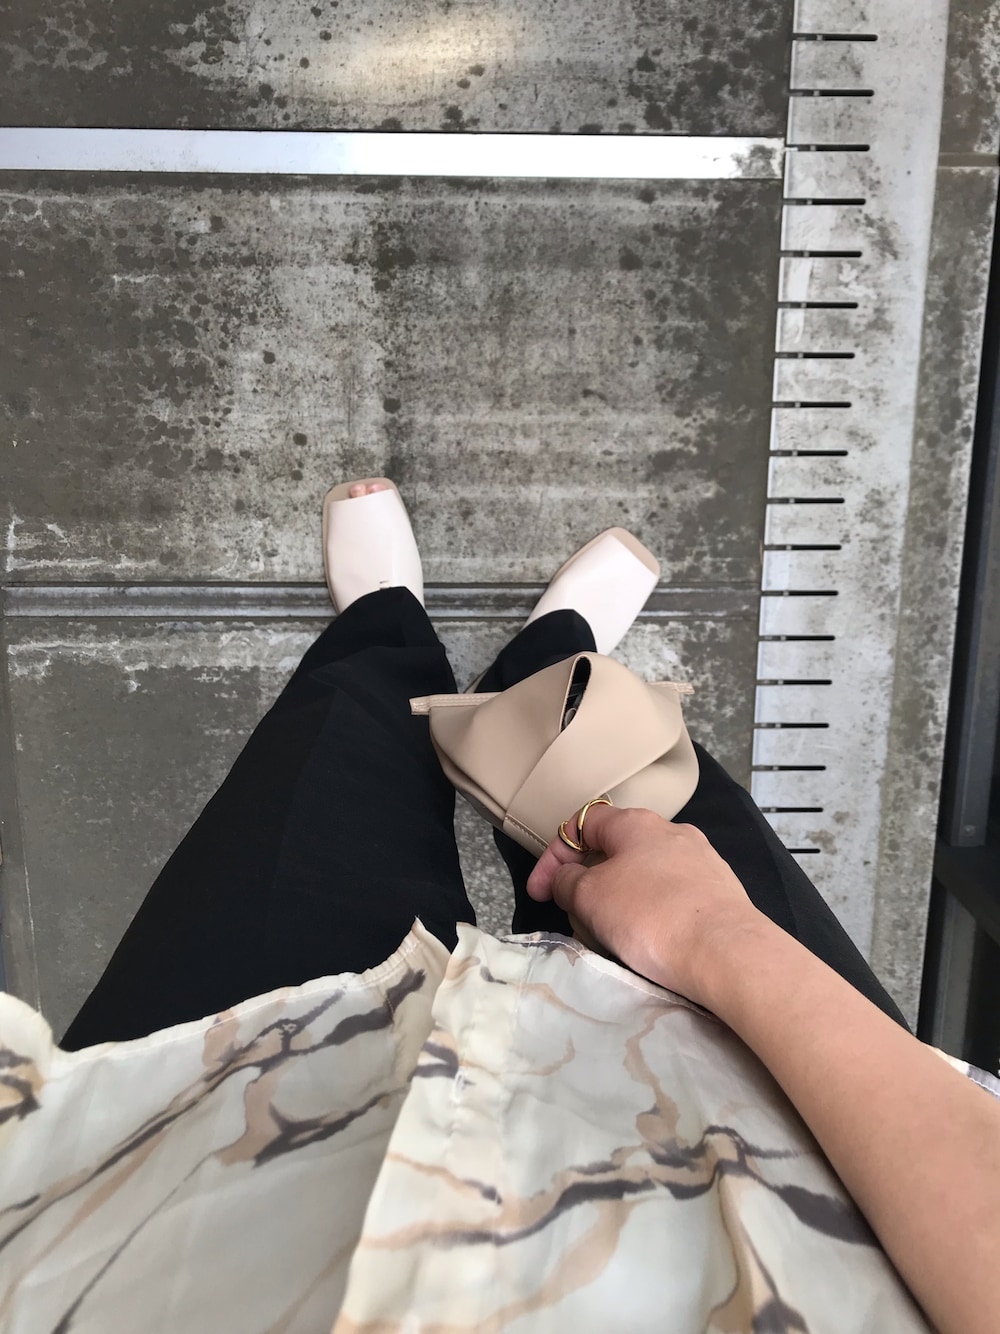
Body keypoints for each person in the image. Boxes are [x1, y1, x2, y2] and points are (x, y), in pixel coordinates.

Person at [1, 480, 998, 1334]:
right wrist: (720, 937)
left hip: (208, 1199)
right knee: (641, 810)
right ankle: (545, 667)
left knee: (321, 800)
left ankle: (383, 630)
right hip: (839, 1176)